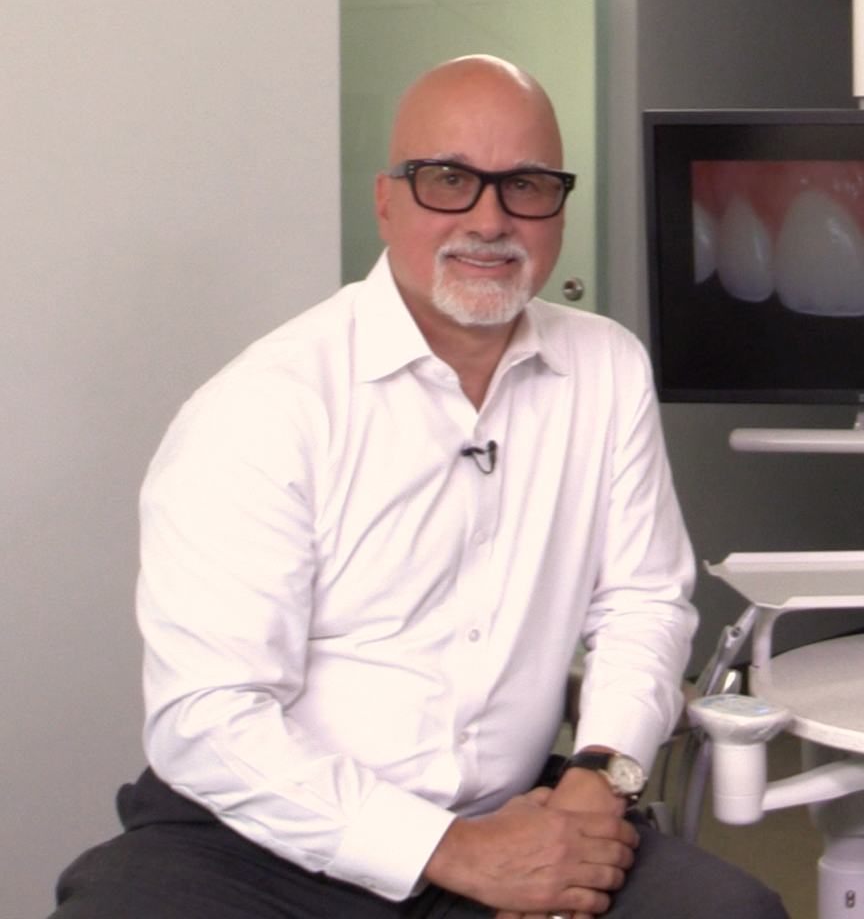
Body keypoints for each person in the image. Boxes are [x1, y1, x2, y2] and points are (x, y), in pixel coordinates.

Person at [50, 56, 788, 919]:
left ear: (558, 207)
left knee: (732, 912)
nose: (489, 219)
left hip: (521, 813)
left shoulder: (606, 367)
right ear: (386, 200)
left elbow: (643, 603)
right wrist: (453, 854)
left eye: (525, 185)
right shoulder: (264, 408)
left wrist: (598, 780)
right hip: (264, 842)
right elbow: (210, 719)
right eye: (448, 179)